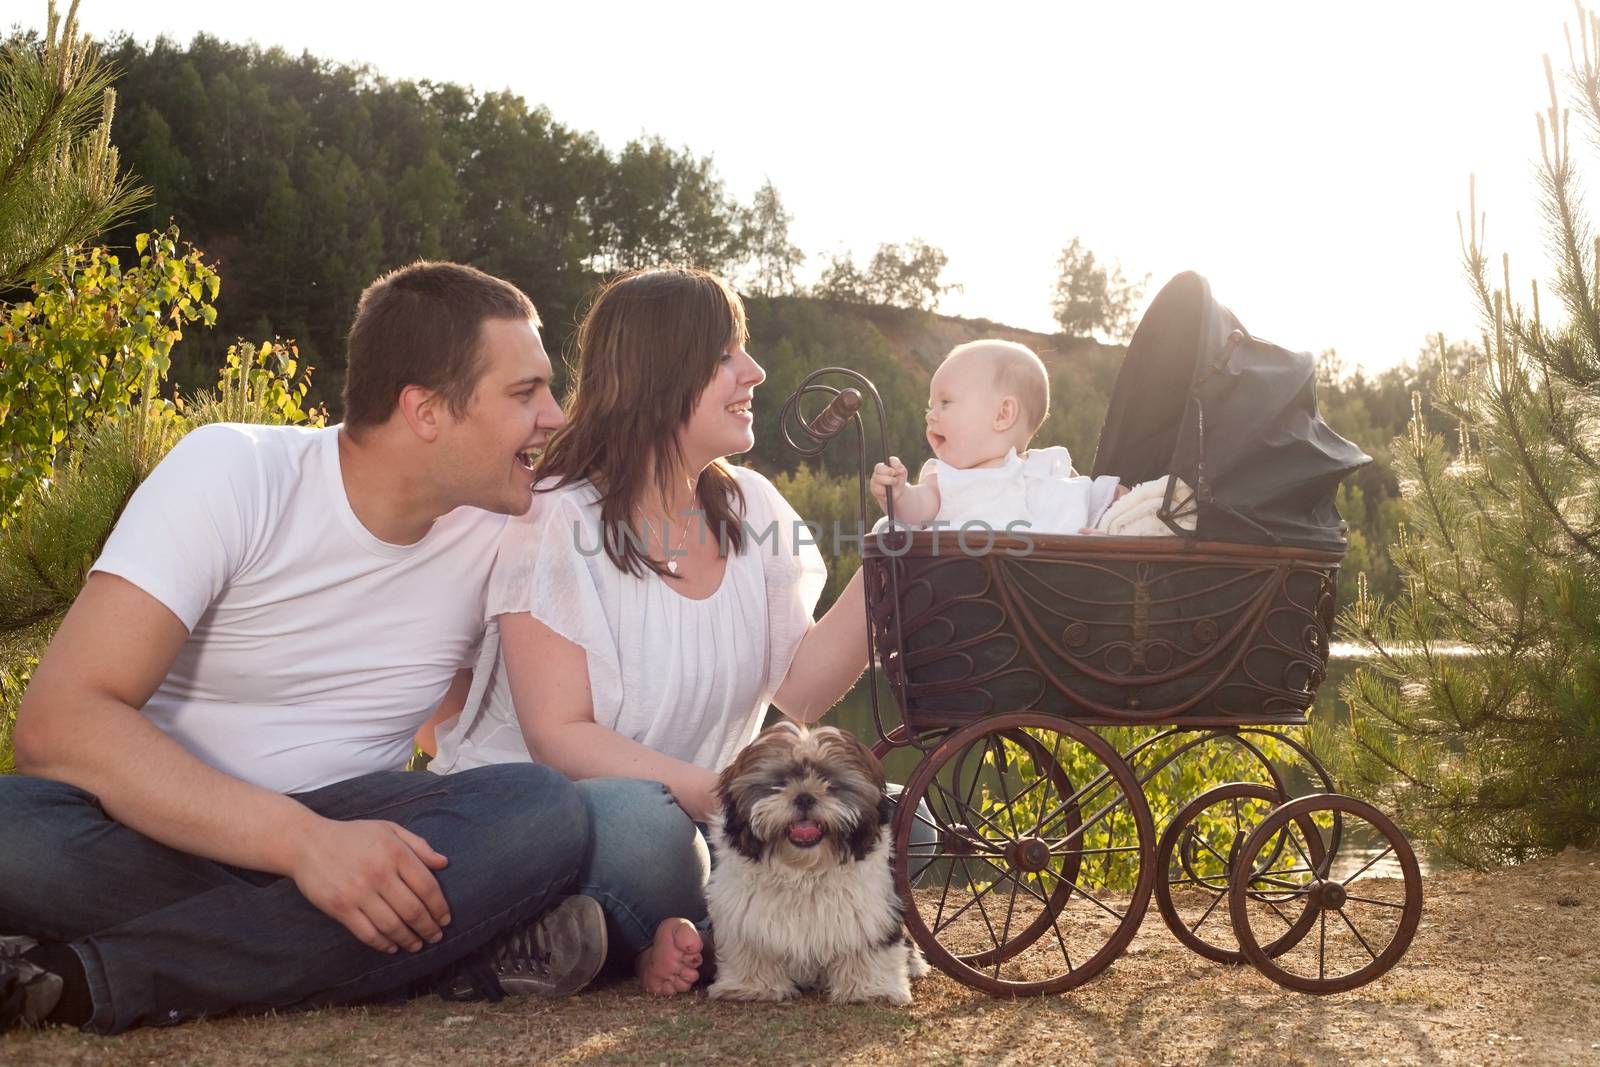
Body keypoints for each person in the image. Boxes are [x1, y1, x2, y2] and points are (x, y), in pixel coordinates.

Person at [0, 262, 604, 1035]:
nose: (554, 415)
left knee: (539, 812)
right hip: (151, 832)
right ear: (425, 410)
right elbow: (59, 725)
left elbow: (639, 535)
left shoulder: (502, 535)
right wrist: (303, 846)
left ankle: (81, 976)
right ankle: (433, 954)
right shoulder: (233, 471)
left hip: (363, 833)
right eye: (526, 394)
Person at [428, 267, 870, 995]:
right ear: (661, 372)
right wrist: (715, 793)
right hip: (563, 815)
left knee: (892, 819)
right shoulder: (558, 519)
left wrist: (893, 559)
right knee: (649, 831)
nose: (754, 372)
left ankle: (615, 937)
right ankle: (619, 927)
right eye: (728, 354)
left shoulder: (750, 506)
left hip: (709, 816)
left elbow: (805, 687)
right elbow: (559, 736)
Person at [870, 339, 1125, 533]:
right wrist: (899, 496)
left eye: (945, 402)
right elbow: (916, 511)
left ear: (1003, 414)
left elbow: (1104, 498)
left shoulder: (1049, 469)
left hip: (1049, 587)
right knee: (892, 533)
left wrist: (1114, 531)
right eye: (930, 406)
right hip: (973, 588)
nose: (930, 416)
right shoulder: (948, 481)